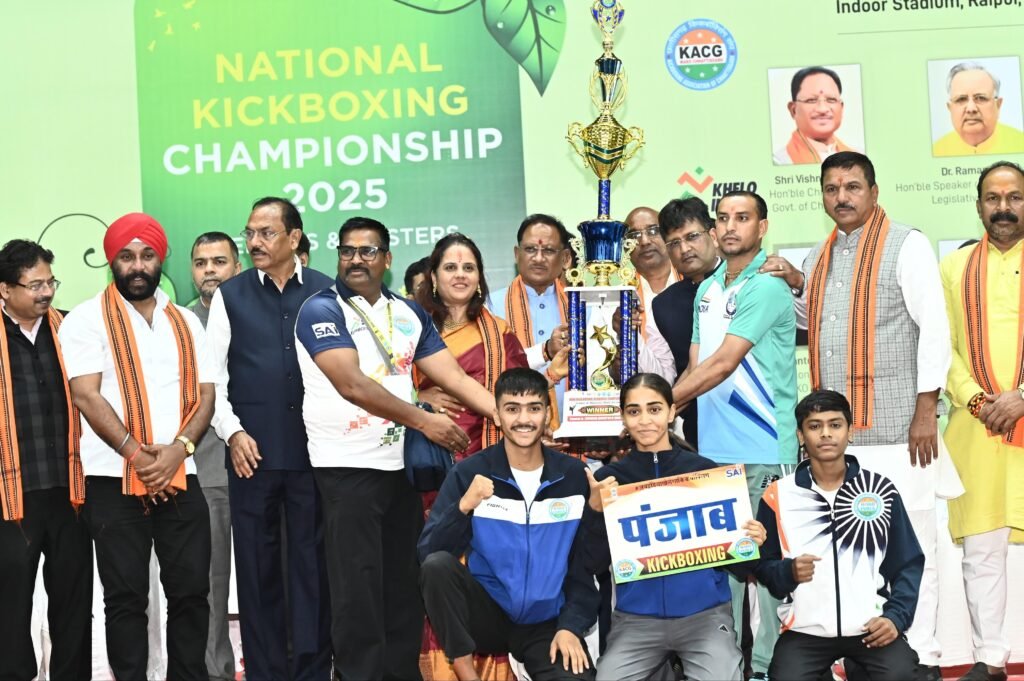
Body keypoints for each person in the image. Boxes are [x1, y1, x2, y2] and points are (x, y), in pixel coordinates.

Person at [761, 150, 951, 679]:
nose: (841, 197)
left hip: (898, 430)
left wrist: (925, 410)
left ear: (874, 191)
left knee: (913, 547)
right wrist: (796, 285)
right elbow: (819, 321)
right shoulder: (821, 254)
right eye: (831, 188)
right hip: (840, 438)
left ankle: (923, 657)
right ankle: (858, 656)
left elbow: (935, 327)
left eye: (852, 187)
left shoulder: (906, 244)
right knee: (849, 556)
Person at [295, 216, 502, 680]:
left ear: (387, 259)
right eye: (347, 251)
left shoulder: (407, 313)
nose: (356, 260)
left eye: (368, 251)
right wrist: (425, 421)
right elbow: (352, 385)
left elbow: (454, 377)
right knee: (358, 594)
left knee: (403, 590)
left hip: (400, 469)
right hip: (346, 470)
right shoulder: (321, 310)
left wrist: (512, 419)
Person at [60, 213, 215, 680]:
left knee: (191, 594)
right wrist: (138, 456)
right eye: (126, 256)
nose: (138, 265)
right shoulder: (86, 319)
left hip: (181, 474)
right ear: (112, 261)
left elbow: (206, 394)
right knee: (126, 600)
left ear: (160, 258)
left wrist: (178, 450)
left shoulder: (186, 321)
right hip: (112, 479)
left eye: (147, 255)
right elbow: (86, 395)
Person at [670, 190, 797, 679]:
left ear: (761, 228)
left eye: (742, 218)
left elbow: (724, 363)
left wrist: (663, 404)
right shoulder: (707, 288)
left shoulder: (766, 286)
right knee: (724, 570)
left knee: (767, 570)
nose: (729, 227)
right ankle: (726, 669)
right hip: (714, 454)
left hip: (763, 447)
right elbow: (696, 365)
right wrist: (664, 410)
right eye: (722, 218)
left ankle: (767, 669)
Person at [206, 197, 333, 681]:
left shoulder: (326, 291)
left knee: (312, 572)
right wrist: (233, 433)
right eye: (250, 234)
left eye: (266, 233)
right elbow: (212, 380)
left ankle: (313, 672)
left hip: (314, 455)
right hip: (250, 457)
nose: (254, 242)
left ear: (294, 238)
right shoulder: (230, 296)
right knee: (257, 574)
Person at [418, 367, 599, 681]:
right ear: (497, 416)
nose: (523, 419)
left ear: (547, 413)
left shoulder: (573, 476)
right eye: (512, 409)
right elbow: (428, 552)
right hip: (487, 613)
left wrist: (570, 626)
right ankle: (465, 672)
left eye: (534, 408)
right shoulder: (469, 473)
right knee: (437, 567)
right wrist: (464, 506)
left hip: (546, 623)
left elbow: (586, 566)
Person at [586, 373, 765, 681]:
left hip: (705, 616)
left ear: (671, 412)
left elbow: (741, 565)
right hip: (636, 620)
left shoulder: (706, 473)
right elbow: (593, 562)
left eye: (654, 409)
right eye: (634, 411)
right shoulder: (609, 480)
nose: (645, 420)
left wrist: (754, 540)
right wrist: (594, 511)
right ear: (623, 417)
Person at [755, 390, 923, 681]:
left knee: (903, 675)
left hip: (870, 628)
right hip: (806, 632)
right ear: (800, 436)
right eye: (814, 426)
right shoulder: (777, 495)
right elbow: (763, 566)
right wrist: (788, 571)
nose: (825, 434)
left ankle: (854, 669)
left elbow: (908, 562)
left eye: (835, 424)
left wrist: (895, 618)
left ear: (850, 432)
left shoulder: (880, 490)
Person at [940, 161, 1024, 681]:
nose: (1003, 208)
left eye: (1014, 197)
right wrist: (977, 401)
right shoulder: (953, 267)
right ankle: (990, 658)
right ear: (977, 207)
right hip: (979, 427)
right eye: (993, 198)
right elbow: (942, 346)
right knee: (983, 549)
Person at [0, 239, 91, 681]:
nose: (46, 292)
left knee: (73, 601)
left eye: (50, 282)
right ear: (5, 290)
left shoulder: (70, 330)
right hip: (10, 496)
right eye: (34, 285)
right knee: (10, 604)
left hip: (69, 490)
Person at [416, 233, 529, 457]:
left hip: (489, 450)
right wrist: (417, 398)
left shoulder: (500, 333)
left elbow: (522, 392)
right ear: (434, 277)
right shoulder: (413, 328)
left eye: (468, 268)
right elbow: (383, 383)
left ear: (478, 278)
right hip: (428, 452)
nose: (460, 274)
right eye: (450, 268)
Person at [189, 231, 241, 681]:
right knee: (211, 583)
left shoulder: (258, 312)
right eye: (201, 262)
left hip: (264, 465)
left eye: (219, 261)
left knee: (276, 573)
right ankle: (216, 671)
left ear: (237, 267)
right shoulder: (179, 323)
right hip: (206, 469)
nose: (210, 270)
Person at [649, 197, 722, 444]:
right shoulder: (663, 305)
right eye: (674, 243)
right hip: (698, 432)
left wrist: (660, 408)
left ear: (713, 235)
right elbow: (675, 371)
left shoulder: (746, 284)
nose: (684, 249)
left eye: (692, 237)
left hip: (753, 419)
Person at [489, 214, 572, 419]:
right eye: (530, 249)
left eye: (549, 250)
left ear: (565, 258)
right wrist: (546, 351)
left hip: (574, 431)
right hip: (513, 427)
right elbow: (489, 370)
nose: (538, 258)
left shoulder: (582, 307)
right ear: (517, 254)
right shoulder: (489, 307)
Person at [933, 63, 1024, 157]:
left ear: (998, 105)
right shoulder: (937, 150)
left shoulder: (1020, 144)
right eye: (961, 99)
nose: (971, 108)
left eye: (981, 98)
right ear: (950, 108)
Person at [774, 66, 857, 165]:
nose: (822, 109)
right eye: (811, 100)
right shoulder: (779, 161)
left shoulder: (858, 157)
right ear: (793, 110)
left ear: (841, 107)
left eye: (831, 99)